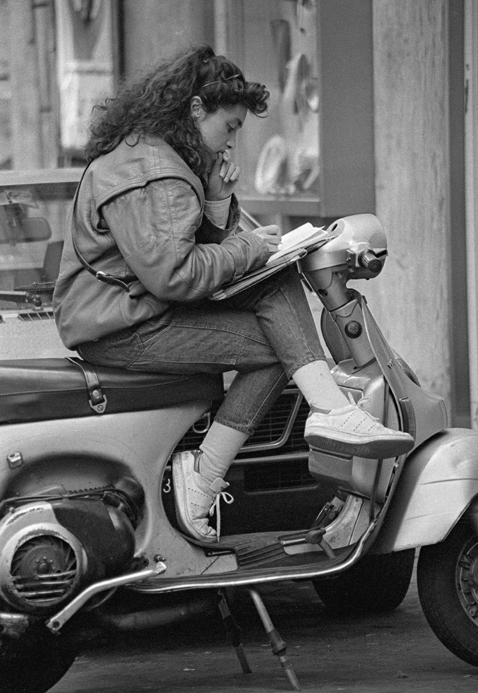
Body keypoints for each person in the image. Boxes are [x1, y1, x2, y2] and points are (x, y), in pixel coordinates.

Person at [53, 45, 414, 544]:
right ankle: (316, 419)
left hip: (131, 314)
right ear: (195, 109)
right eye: (230, 126)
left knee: (279, 316)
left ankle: (235, 460)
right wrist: (248, 247)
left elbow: (189, 255)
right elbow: (174, 275)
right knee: (280, 333)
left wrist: (220, 203)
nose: (232, 142)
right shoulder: (154, 172)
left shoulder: (156, 158)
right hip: (124, 327)